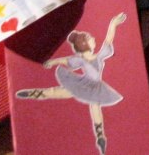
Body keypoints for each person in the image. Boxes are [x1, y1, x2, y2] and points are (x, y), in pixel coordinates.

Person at [16, 13, 127, 155]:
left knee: (95, 106)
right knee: (58, 92)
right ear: (84, 44)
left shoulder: (99, 56)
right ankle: (34, 93)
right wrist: (53, 61)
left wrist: (113, 24)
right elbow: (67, 60)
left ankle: (100, 136)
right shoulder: (81, 60)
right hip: (83, 84)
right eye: (90, 38)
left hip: (95, 87)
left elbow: (108, 40)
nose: (94, 39)